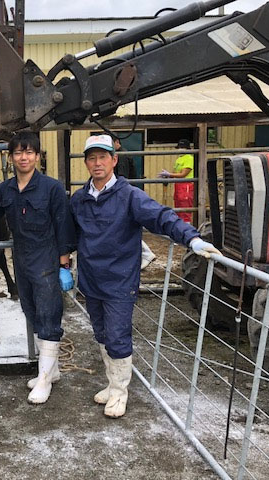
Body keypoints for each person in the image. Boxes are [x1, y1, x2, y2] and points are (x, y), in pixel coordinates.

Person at [70, 134, 219, 418]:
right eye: (92, 158)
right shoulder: (80, 199)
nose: (97, 163)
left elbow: (162, 217)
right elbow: (70, 234)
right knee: (100, 333)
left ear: (114, 160)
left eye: (103, 157)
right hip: (91, 280)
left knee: (117, 335)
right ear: (86, 163)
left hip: (119, 280)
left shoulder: (129, 197)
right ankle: (112, 383)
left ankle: (120, 392)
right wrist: (65, 265)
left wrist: (192, 239)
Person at [0, 131, 76, 405]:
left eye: (29, 152)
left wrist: (64, 263)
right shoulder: (5, 189)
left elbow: (63, 224)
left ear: (38, 156)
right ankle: (50, 371)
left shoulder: (52, 188)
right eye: (18, 152)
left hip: (46, 257)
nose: (23, 157)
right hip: (20, 258)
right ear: (10, 157)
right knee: (30, 310)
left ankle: (43, 379)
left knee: (48, 314)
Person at [111, 135, 157, 269]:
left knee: (123, 225)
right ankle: (145, 253)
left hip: (122, 195)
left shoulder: (122, 156)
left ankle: (146, 253)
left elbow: (122, 177)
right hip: (123, 193)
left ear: (117, 143)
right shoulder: (122, 154)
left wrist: (117, 195)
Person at [157, 138, 194, 223]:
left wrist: (169, 174)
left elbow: (183, 174)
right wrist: (167, 176)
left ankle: (186, 229)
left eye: (181, 147)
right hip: (178, 185)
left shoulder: (189, 158)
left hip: (186, 185)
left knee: (185, 208)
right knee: (178, 207)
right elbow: (176, 173)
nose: (179, 149)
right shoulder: (179, 159)